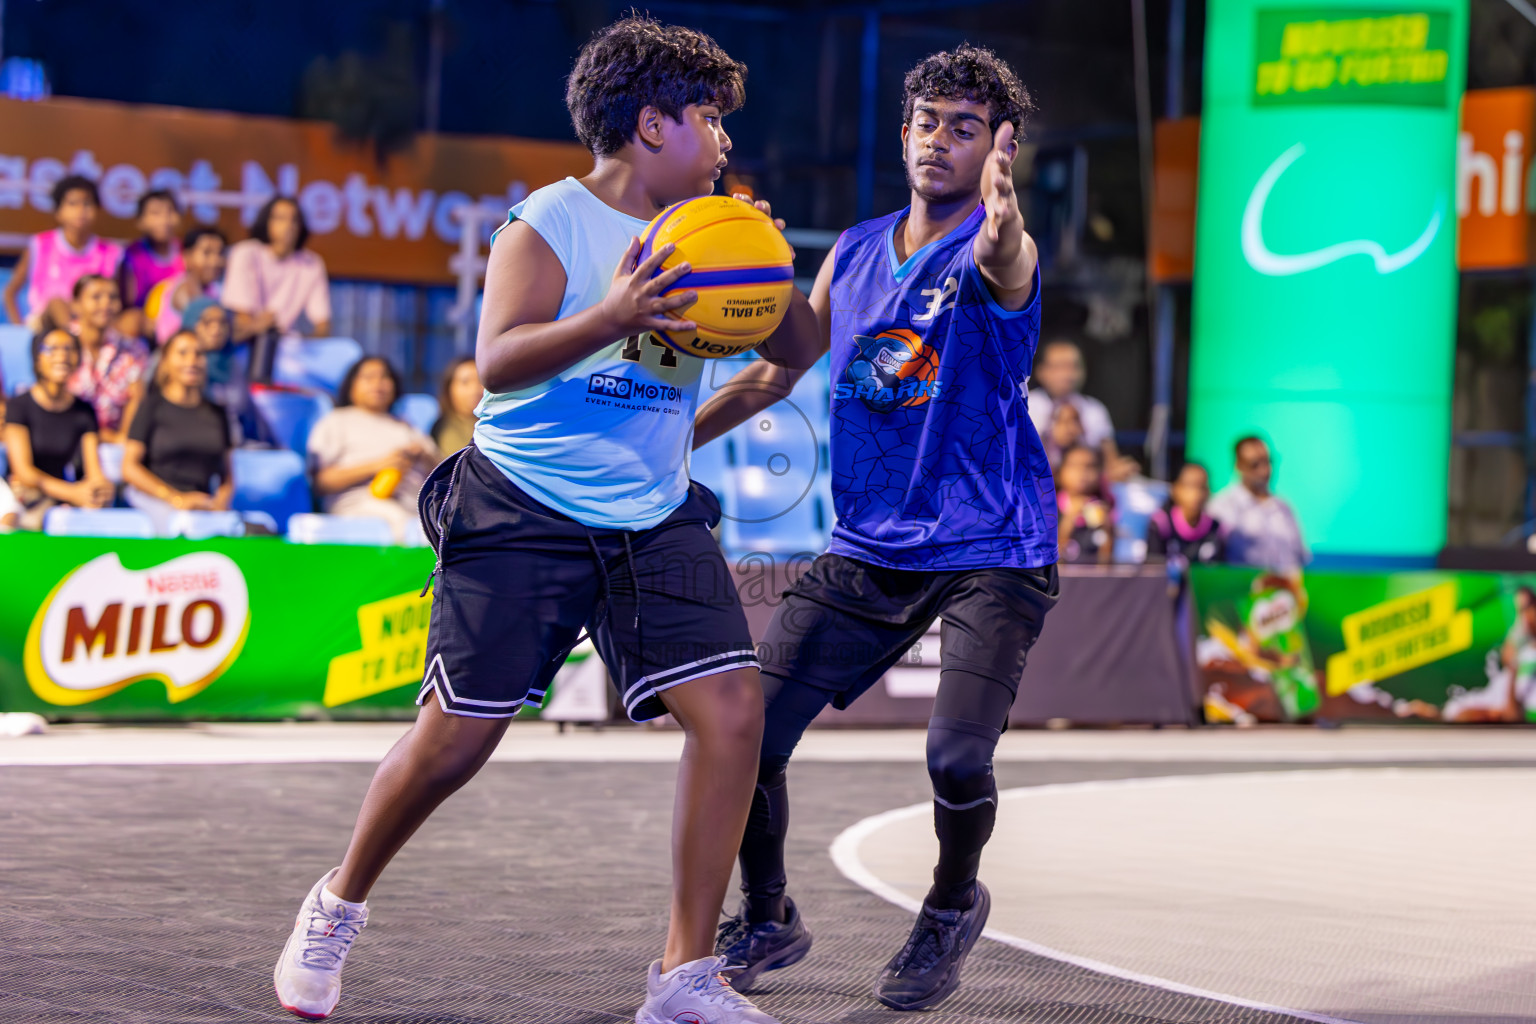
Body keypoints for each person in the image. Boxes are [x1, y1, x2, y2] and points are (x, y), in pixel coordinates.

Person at [272, 17, 821, 1024]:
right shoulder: (550, 221)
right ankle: (337, 899)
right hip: (521, 504)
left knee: (734, 714)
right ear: (653, 124)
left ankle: (684, 975)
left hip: (651, 518)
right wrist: (612, 316)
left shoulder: (718, 226)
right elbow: (500, 359)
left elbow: (802, 345)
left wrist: (767, 263)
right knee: (456, 743)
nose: (725, 139)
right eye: (708, 117)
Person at [707, 45, 1056, 1013]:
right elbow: (782, 368)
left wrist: (1004, 207)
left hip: (992, 544)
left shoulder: (999, 248)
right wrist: (679, 433)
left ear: (1000, 147)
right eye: (928, 123)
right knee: (744, 739)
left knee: (954, 756)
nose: (941, 141)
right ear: (902, 133)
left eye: (966, 127)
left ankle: (950, 903)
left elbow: (1005, 253)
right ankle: (768, 913)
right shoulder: (856, 252)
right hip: (867, 547)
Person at [306, 356, 439, 543]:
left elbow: (443, 475)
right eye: (368, 377)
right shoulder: (336, 421)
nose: (378, 384)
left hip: (414, 507)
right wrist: (378, 465)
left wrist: (424, 455)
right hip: (359, 505)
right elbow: (321, 482)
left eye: (385, 377)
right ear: (351, 387)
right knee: (404, 524)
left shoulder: (407, 427)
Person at [121, 331, 234, 535]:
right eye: (182, 353)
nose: (192, 360)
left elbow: (227, 475)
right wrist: (174, 498)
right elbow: (129, 467)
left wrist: (219, 502)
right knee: (180, 528)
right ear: (165, 362)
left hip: (201, 504)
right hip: (154, 500)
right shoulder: (150, 407)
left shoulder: (218, 413)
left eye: (198, 354)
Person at [3, 330, 113, 530]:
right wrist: (71, 493)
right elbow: (23, 471)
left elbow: (94, 469)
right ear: (37, 359)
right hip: (23, 495)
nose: (62, 356)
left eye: (69, 349)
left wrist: (99, 488)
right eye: (52, 349)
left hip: (63, 496)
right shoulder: (19, 406)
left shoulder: (85, 411)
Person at [223, 196, 331, 381]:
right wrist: (261, 326)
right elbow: (243, 319)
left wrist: (305, 345)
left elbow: (323, 325)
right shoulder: (245, 253)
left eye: (294, 220)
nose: (288, 225)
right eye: (280, 218)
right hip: (244, 346)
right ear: (266, 222)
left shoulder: (311, 263)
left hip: (289, 350)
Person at [2, 176, 124, 333]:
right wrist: (20, 331)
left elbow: (117, 302)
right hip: (44, 328)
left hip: (95, 327)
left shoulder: (111, 253)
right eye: (72, 203)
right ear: (58, 212)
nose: (80, 210)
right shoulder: (40, 245)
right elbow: (10, 293)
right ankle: (75, 344)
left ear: (97, 210)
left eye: (87, 203)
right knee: (57, 304)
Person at [1027, 339, 1136, 482]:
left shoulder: (1094, 409)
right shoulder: (1027, 405)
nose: (1068, 375)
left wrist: (1118, 470)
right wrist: (1051, 440)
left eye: (1074, 366)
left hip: (1084, 494)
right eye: (1059, 367)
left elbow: (1110, 463)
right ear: (1041, 371)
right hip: (1036, 489)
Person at [65, 275, 150, 444]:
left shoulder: (134, 351)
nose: (106, 304)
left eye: (112, 297)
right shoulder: (61, 345)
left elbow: (135, 404)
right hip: (66, 439)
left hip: (112, 446)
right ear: (76, 305)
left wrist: (118, 439)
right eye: (96, 297)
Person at [1207, 435, 1309, 572]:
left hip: (1284, 591)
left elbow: (1301, 558)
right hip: (1243, 591)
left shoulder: (1284, 508)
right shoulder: (1221, 507)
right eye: (1255, 464)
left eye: (1268, 462)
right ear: (1239, 466)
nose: (1264, 470)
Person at [152, 225, 230, 345]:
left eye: (220, 253)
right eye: (207, 253)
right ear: (187, 257)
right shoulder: (184, 287)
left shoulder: (214, 289)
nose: (216, 261)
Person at [1147, 461, 1226, 574]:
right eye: (1191, 486)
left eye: (1202, 487)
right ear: (1175, 489)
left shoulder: (1216, 528)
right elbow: (1152, 573)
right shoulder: (1161, 524)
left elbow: (1219, 572)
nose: (1197, 493)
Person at [119, 189, 185, 311]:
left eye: (170, 211)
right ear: (140, 221)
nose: (164, 220)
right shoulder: (133, 255)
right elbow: (129, 303)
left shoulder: (186, 251)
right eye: (155, 213)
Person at [1056, 443, 1114, 564]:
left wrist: (1107, 530)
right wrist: (1069, 520)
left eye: (1090, 466)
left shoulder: (1104, 510)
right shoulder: (1048, 510)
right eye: (1074, 466)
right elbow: (1054, 562)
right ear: (1060, 473)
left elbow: (1105, 565)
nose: (1082, 473)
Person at [430, 356, 481, 455]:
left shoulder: (497, 424)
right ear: (449, 388)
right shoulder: (443, 428)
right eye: (465, 382)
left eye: (481, 382)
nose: (475, 389)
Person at [1042, 399, 1084, 470]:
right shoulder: (1036, 452)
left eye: (1075, 422)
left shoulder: (1085, 456)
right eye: (1065, 422)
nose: (1071, 429)